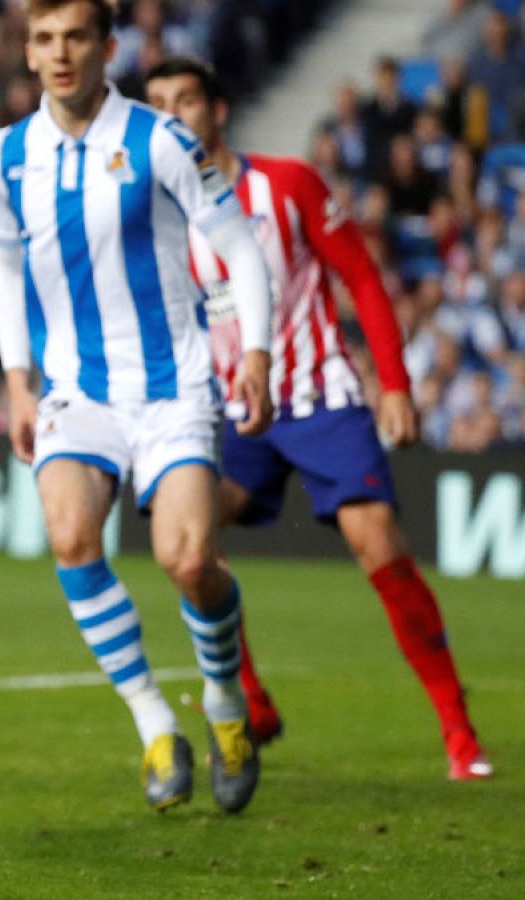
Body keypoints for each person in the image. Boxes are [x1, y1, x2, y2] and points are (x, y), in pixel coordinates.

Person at [146, 56, 494, 781]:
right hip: (234, 412)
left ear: (217, 109)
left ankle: (459, 731)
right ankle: (252, 700)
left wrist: (392, 382)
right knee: (189, 548)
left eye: (185, 99)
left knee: (380, 544)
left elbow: (361, 276)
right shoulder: (155, 211)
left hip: (319, 398)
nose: (173, 115)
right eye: (158, 104)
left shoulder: (286, 183)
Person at [0, 0, 276, 814]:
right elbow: (6, 273)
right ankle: (154, 722)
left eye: (75, 36)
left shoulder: (162, 139)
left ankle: (223, 705)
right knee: (71, 535)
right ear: (30, 51)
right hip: (76, 390)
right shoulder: (8, 155)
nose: (59, 52)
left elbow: (241, 244)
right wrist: (17, 382)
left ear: (107, 47)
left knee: (188, 561)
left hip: (173, 385)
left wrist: (254, 352)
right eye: (44, 39)